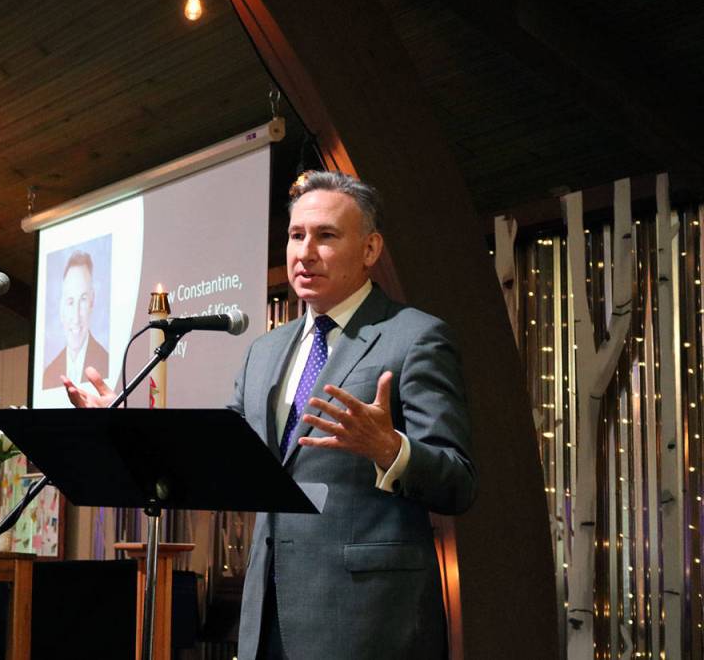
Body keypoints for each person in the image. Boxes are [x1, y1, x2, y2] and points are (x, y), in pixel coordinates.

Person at [63, 171, 477, 659]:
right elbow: (213, 457)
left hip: (369, 619)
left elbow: (459, 481)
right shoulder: (265, 351)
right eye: (296, 235)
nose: (304, 252)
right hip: (268, 613)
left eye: (326, 236)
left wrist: (390, 449)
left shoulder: (414, 337)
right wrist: (123, 425)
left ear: (370, 249)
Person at [42, 250, 109, 389]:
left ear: (92, 301)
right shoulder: (48, 374)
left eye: (83, 299)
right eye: (70, 301)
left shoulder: (106, 361)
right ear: (61, 308)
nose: (76, 316)